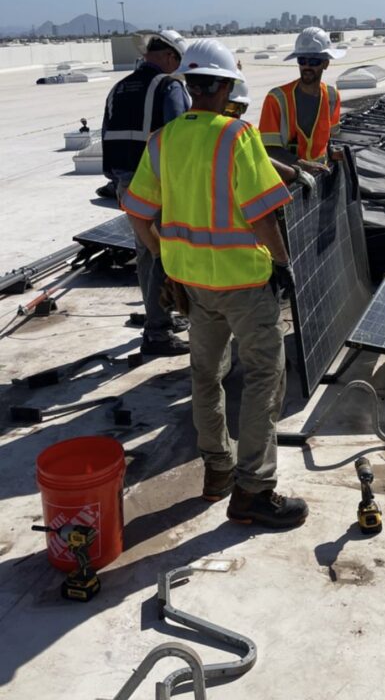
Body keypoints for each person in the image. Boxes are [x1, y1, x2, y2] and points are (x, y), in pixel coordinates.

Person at [122, 38, 308, 528]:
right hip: (245, 284)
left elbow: (137, 212)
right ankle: (254, 490)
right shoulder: (236, 136)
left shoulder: (162, 140)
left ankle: (217, 472)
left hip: (192, 288)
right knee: (265, 379)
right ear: (226, 88)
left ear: (188, 84)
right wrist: (283, 264)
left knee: (206, 377)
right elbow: (262, 215)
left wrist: (165, 256)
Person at [102, 28, 191, 357]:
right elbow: (183, 138)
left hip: (128, 184)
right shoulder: (168, 86)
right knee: (163, 254)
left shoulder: (119, 87)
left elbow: (109, 138)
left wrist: (119, 183)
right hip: (159, 184)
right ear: (170, 57)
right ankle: (157, 332)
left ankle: (160, 315)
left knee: (146, 253)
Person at [258, 27, 345, 177]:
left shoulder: (332, 96)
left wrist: (333, 153)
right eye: (302, 60)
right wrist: (302, 166)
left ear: (326, 64)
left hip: (319, 177)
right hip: (288, 181)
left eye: (314, 61)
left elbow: (328, 138)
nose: (307, 66)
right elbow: (267, 149)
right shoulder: (277, 99)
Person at [225, 82, 316, 193]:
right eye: (231, 107)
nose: (237, 115)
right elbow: (259, 160)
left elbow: (258, 157)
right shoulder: (240, 132)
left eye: (241, 108)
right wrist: (294, 174)